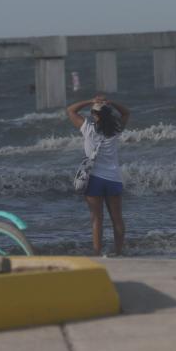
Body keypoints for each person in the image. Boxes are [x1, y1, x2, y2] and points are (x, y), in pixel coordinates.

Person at [66, 95, 130, 256]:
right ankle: (118, 252)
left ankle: (96, 253)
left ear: (95, 115)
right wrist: (111, 102)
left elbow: (71, 110)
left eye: (92, 112)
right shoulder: (115, 129)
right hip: (113, 179)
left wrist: (90, 101)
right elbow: (126, 113)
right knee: (117, 219)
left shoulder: (88, 128)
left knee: (97, 219)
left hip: (93, 179)